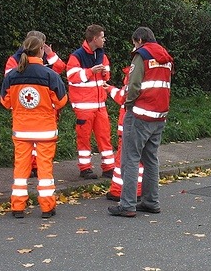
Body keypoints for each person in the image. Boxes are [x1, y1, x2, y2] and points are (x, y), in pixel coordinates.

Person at [1, 35, 68, 219]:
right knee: (45, 170)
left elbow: (5, 102)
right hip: (45, 130)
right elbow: (61, 100)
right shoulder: (50, 75)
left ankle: (17, 206)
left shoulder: (12, 75)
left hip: (22, 130)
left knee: (20, 170)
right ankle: (47, 207)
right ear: (40, 51)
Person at [109, 27, 174, 218]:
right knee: (151, 159)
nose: (134, 47)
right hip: (159, 114)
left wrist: (128, 103)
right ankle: (151, 201)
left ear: (139, 40)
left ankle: (127, 205)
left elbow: (134, 85)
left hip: (139, 114)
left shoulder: (142, 55)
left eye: (134, 43)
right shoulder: (166, 57)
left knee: (130, 159)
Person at [5, 30, 65, 177]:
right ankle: (33, 165)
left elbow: (60, 67)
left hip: (33, 111)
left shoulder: (44, 57)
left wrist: (50, 54)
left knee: (30, 144)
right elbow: (10, 82)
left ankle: (34, 166)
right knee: (37, 143)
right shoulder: (15, 60)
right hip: (32, 109)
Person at [66, 24, 116, 179]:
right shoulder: (77, 56)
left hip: (100, 105)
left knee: (105, 137)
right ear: (94, 39)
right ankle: (85, 168)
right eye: (102, 37)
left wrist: (104, 73)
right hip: (84, 106)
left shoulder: (101, 55)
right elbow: (72, 77)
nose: (104, 40)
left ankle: (109, 168)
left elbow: (106, 76)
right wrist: (91, 71)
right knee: (84, 138)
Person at [104, 65, 143, 202]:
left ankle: (117, 191)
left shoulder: (135, 74)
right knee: (139, 160)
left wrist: (109, 89)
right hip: (142, 125)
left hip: (127, 127)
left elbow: (123, 97)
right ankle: (139, 190)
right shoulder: (151, 73)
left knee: (123, 161)